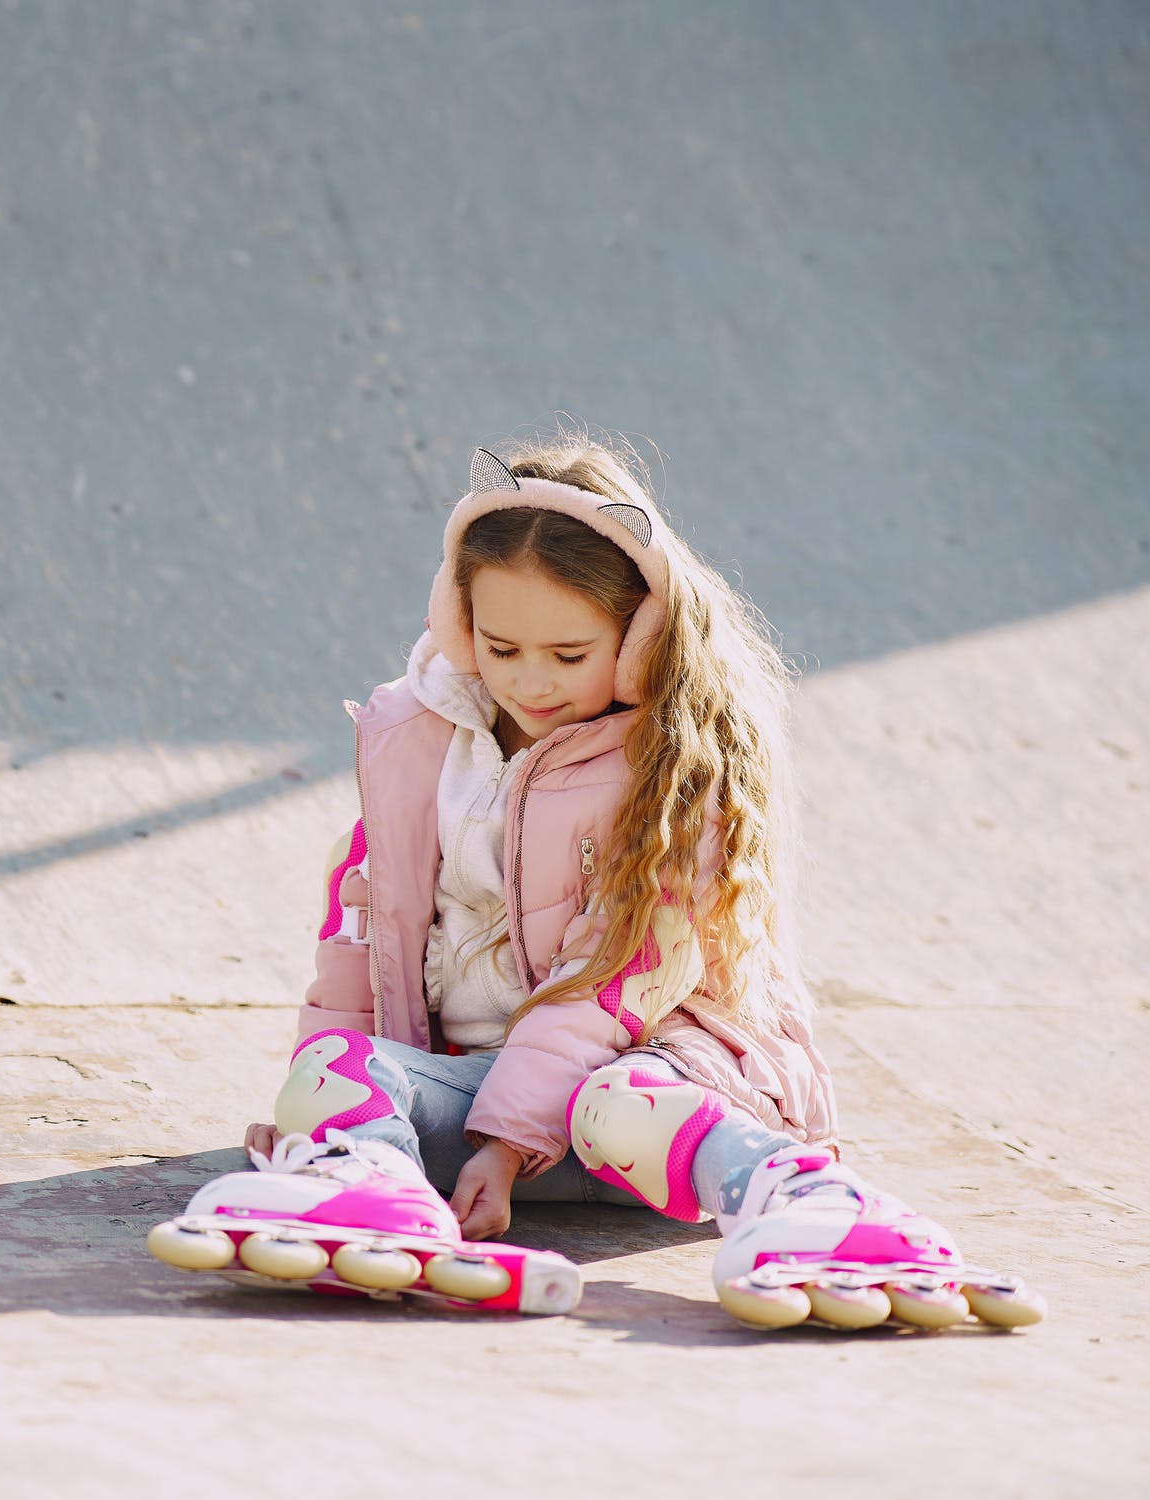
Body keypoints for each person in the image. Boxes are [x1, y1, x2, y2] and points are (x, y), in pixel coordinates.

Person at [147, 434, 1042, 1331]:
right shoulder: (421, 747)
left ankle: (806, 1199)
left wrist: (501, 1145)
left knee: (613, 1101)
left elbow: (607, 982)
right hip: (490, 1108)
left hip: (665, 1106)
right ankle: (363, 1191)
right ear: (460, 624)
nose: (531, 681)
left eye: (569, 656)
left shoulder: (675, 771)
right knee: (333, 1066)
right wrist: (326, 1125)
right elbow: (362, 942)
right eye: (500, 647)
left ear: (637, 636)